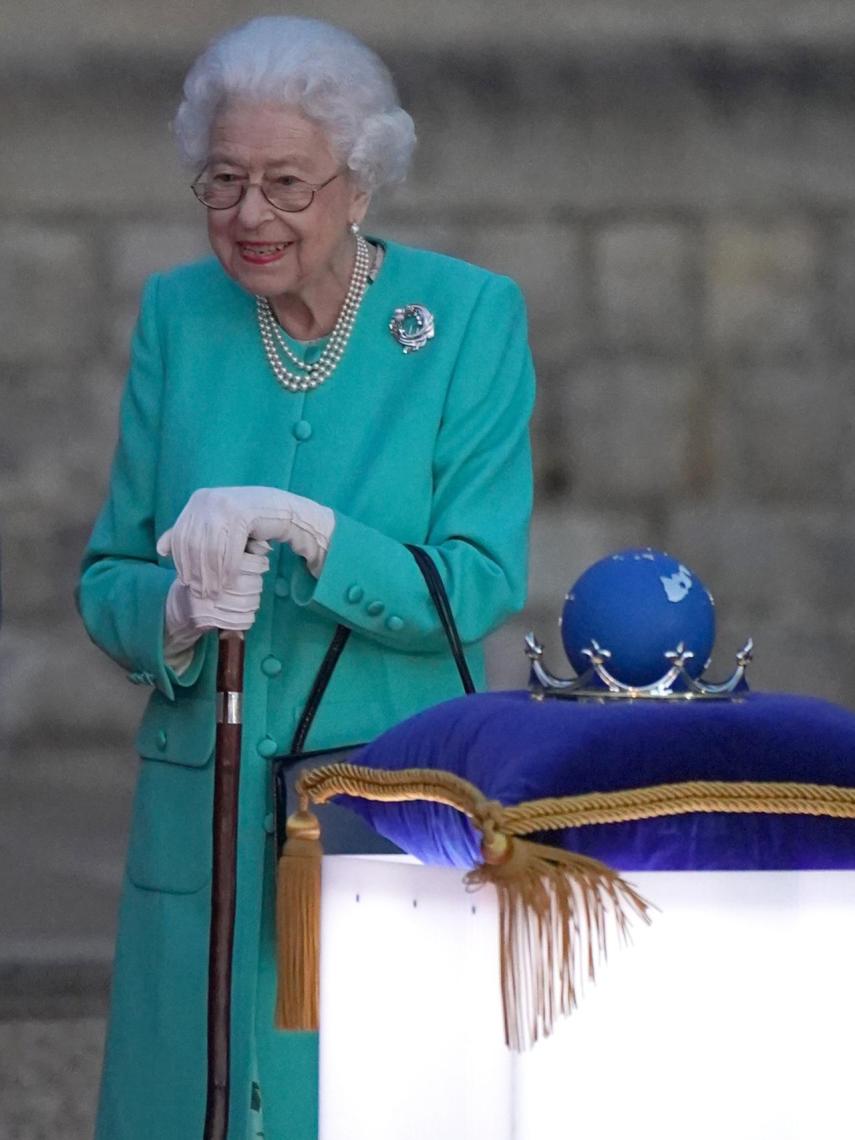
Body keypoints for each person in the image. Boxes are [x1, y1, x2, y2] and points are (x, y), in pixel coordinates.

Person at [77, 15, 534, 1140]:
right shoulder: (180, 317)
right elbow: (106, 578)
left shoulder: (469, 319)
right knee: (189, 1095)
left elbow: (474, 586)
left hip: (385, 794)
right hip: (204, 804)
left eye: (287, 183)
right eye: (224, 181)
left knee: (366, 1095)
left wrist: (313, 531)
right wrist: (176, 610)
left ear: (360, 181)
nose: (250, 215)